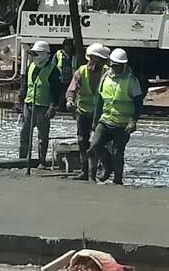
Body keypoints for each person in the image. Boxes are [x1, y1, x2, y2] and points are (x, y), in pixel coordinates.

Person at [88, 47, 144, 185]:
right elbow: (99, 100)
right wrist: (95, 120)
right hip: (105, 121)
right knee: (95, 145)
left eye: (119, 66)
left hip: (122, 124)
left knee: (118, 153)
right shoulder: (105, 78)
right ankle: (108, 166)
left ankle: (117, 180)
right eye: (114, 65)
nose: (116, 68)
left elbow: (138, 103)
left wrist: (133, 121)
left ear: (124, 65)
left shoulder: (131, 81)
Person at [66, 43, 110, 180]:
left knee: (99, 143)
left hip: (101, 114)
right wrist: (69, 100)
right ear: (89, 58)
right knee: (82, 141)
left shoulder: (107, 73)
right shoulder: (81, 72)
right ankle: (85, 171)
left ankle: (101, 170)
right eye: (93, 59)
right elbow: (71, 89)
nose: (95, 63)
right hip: (83, 112)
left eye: (99, 60)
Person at [18, 40, 63, 166]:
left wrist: (53, 106)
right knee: (25, 133)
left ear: (44, 54)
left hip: (43, 107)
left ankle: (41, 160)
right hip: (29, 105)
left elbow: (56, 91)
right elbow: (25, 86)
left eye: (36, 54)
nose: (33, 57)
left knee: (42, 137)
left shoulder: (53, 71)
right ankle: (22, 159)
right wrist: (21, 103)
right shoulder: (31, 67)